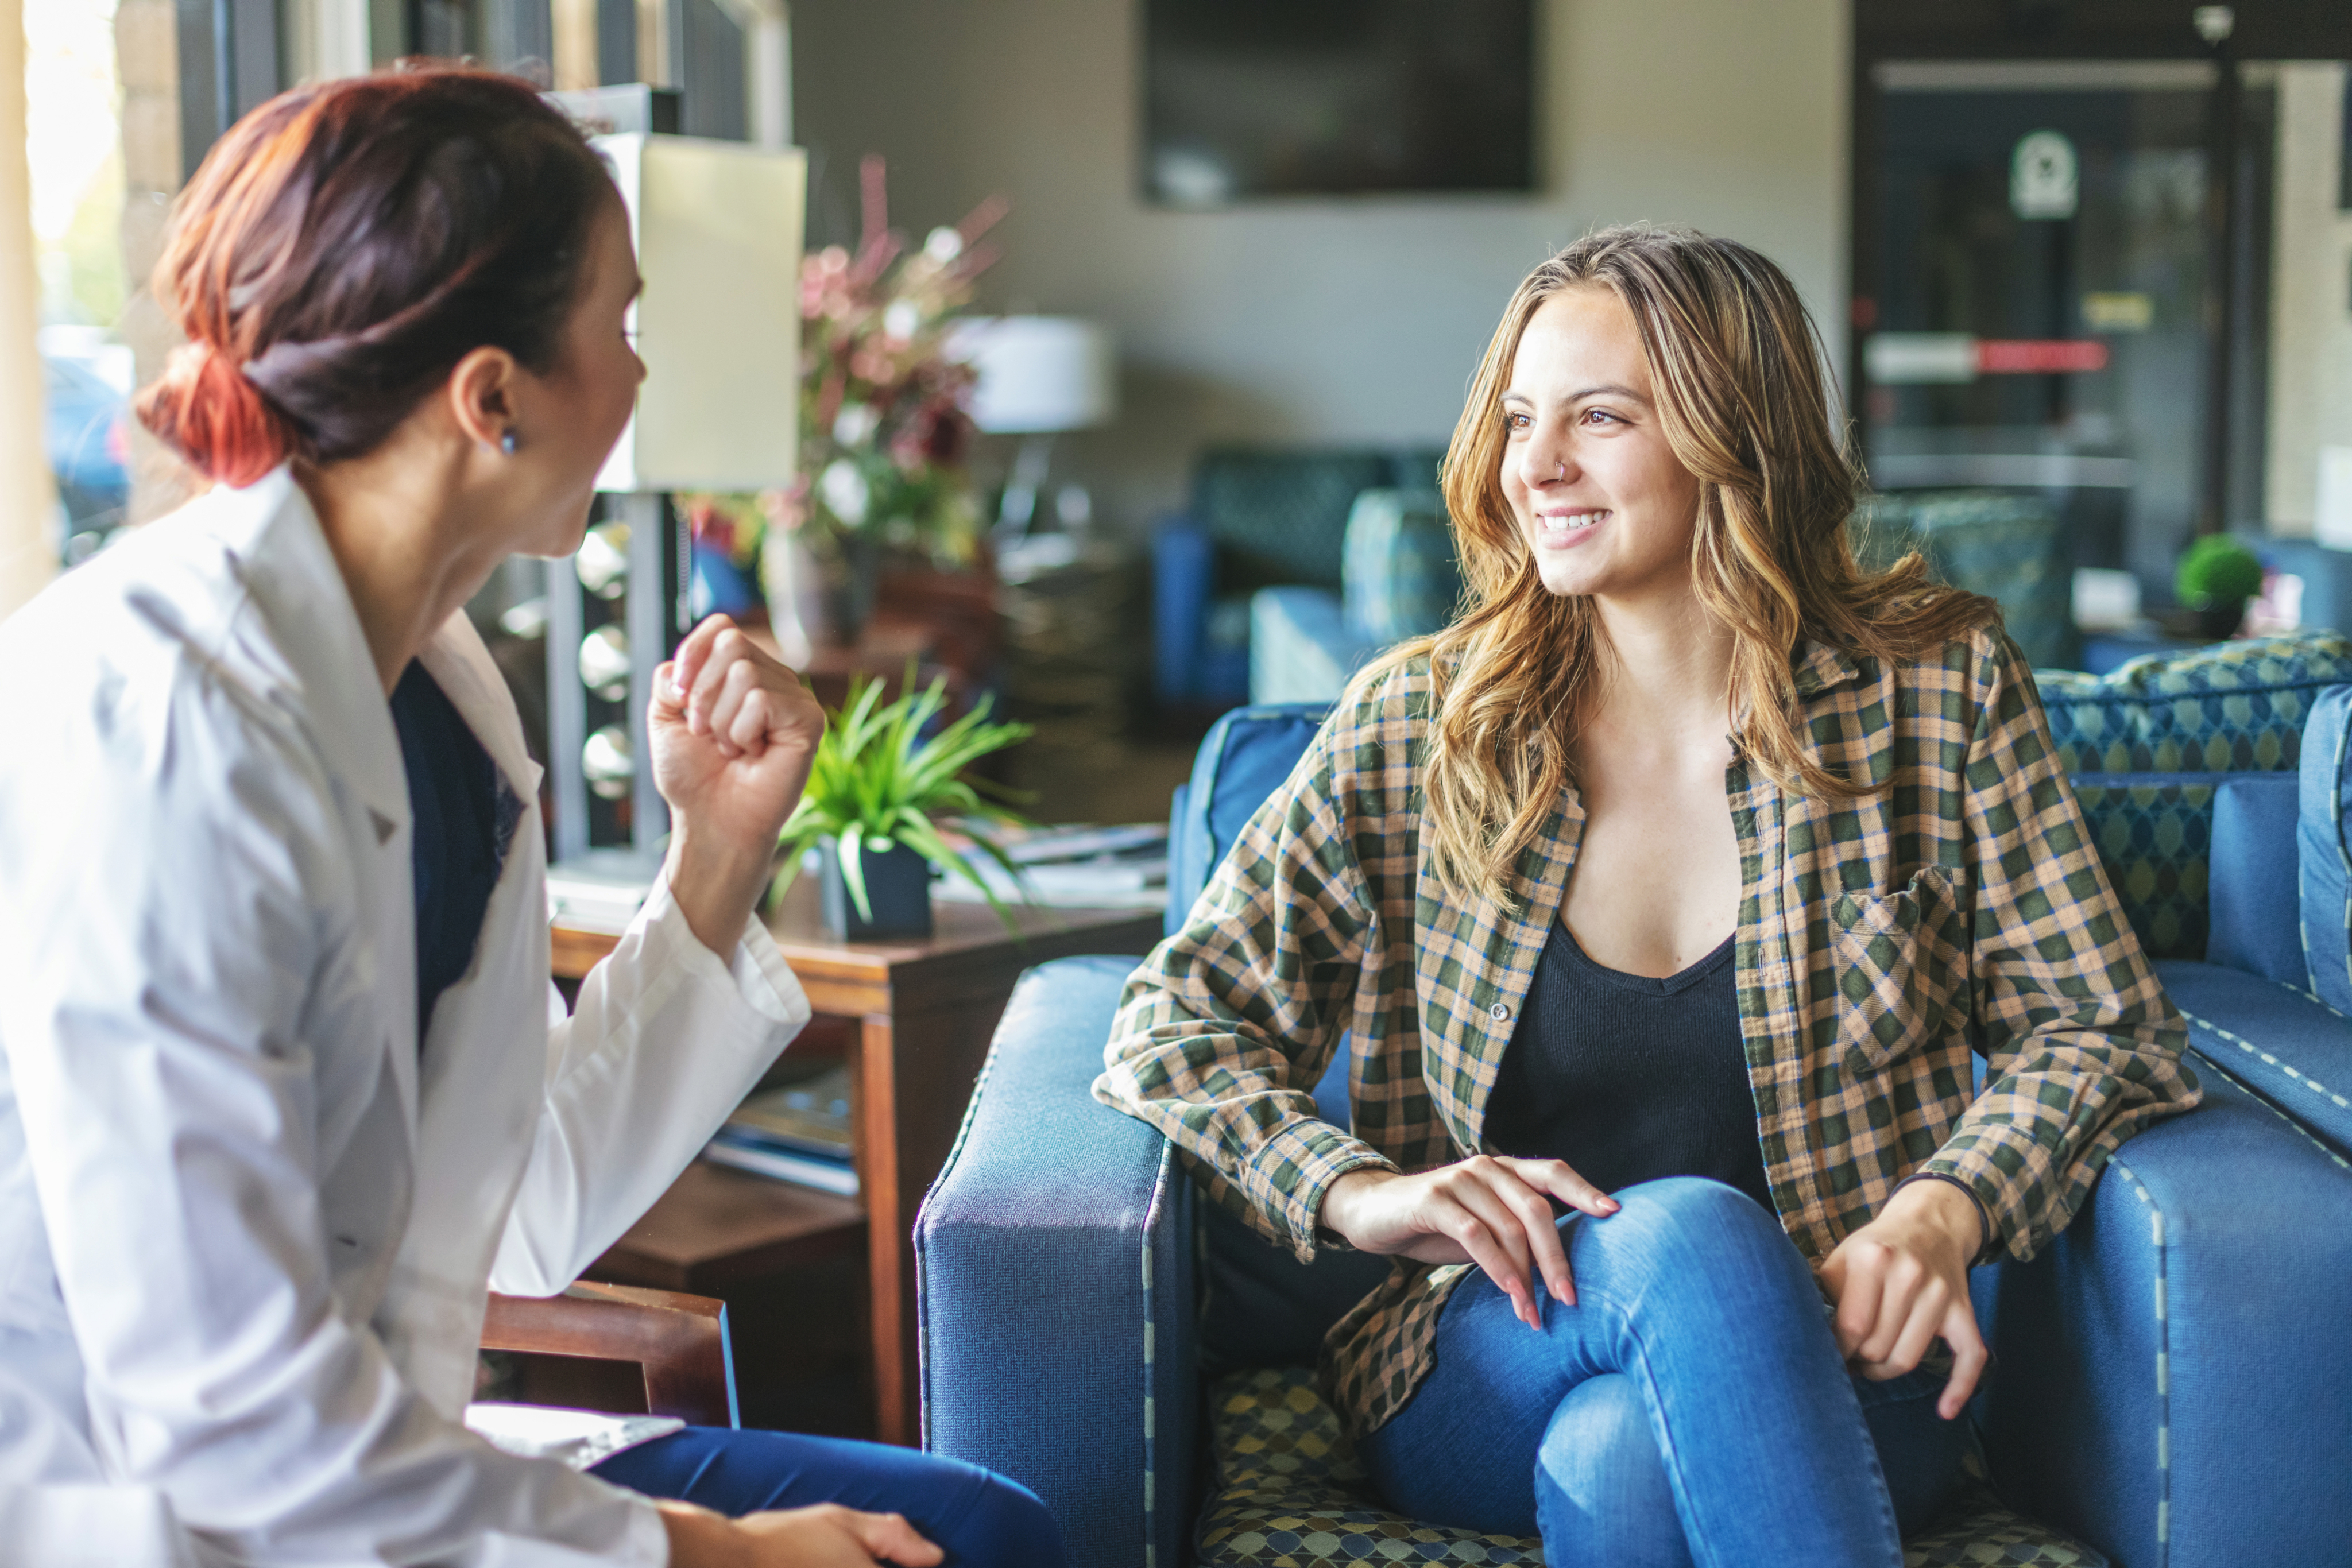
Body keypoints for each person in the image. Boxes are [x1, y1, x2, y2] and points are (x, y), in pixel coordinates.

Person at [0, 67, 1063, 1568]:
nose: (640, 379)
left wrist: (721, 847)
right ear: (491, 395)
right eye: (621, 328)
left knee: (980, 1530)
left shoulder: (440, 704)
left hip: (370, 1465)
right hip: (149, 1510)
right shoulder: (165, 721)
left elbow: (533, 1200)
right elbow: (230, 1416)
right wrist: (718, 1551)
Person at [1095, 225, 2201, 1566]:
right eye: (1515, 419)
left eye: (1598, 417)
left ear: (1734, 437)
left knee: (1621, 1463)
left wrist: (1941, 1207)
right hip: (1479, 1356)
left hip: (1840, 1352)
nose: (1534, 466)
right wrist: (1351, 1191)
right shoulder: (1416, 730)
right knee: (1681, 1234)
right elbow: (1171, 1022)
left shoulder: (1935, 696)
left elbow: (2102, 1026)